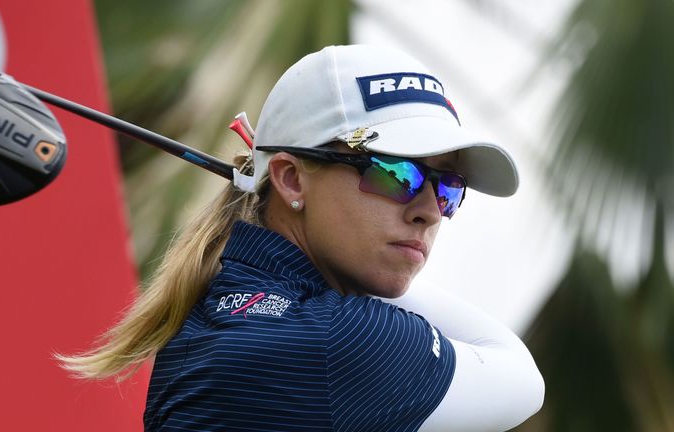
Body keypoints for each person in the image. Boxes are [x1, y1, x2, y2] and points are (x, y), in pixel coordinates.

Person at [58, 44, 544, 431]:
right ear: (291, 179)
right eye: (397, 174)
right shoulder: (339, 341)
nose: (427, 212)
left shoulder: (231, 309)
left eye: (447, 188)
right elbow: (520, 379)